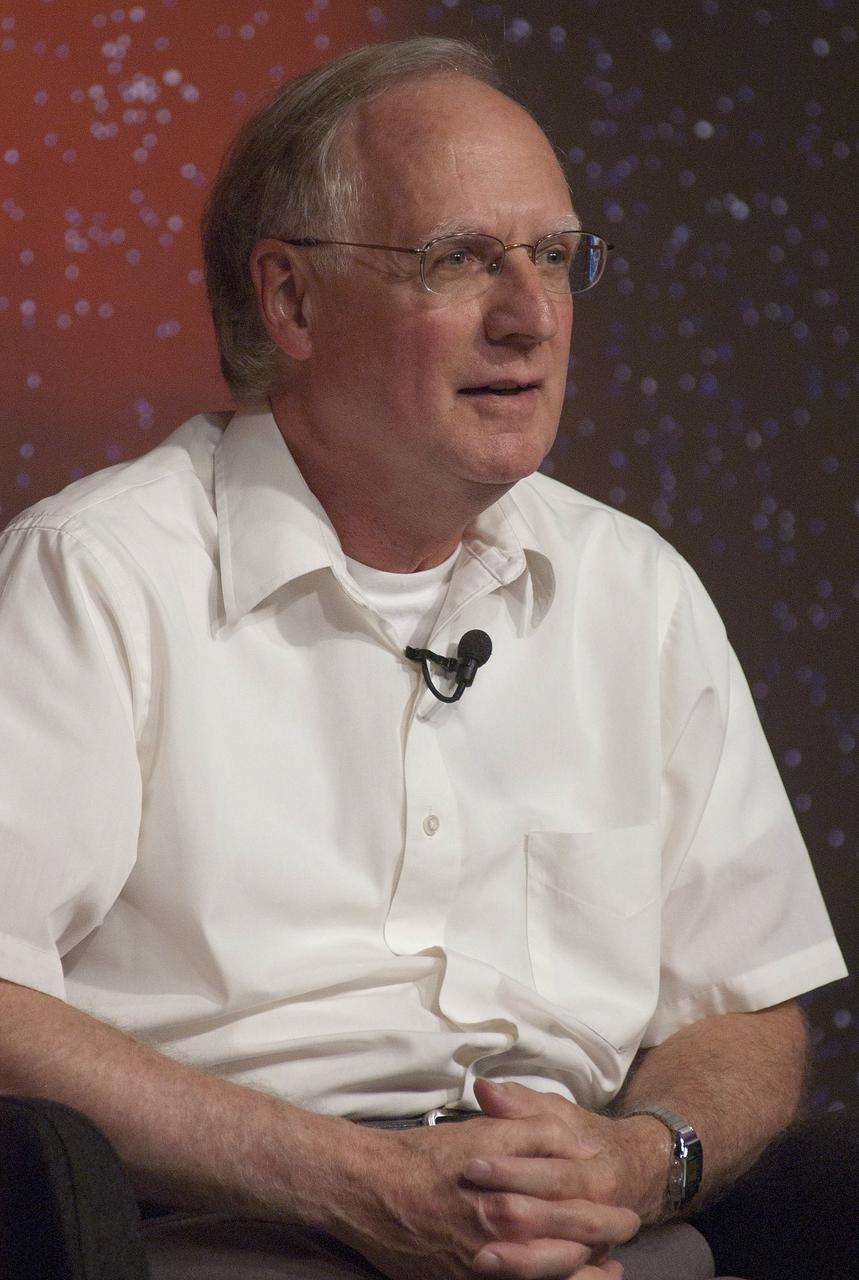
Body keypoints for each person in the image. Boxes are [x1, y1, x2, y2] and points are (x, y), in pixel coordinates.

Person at [0, 36, 846, 1280]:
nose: (531, 315)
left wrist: (635, 1161)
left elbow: (743, 1003)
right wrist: (360, 1183)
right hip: (227, 1233)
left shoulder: (637, 591)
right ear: (288, 300)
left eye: (554, 258)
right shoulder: (93, 574)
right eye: (459, 259)